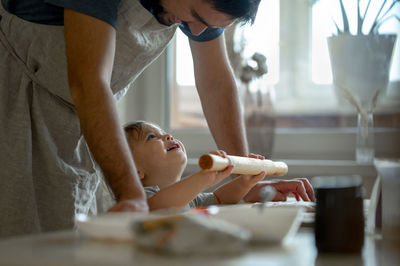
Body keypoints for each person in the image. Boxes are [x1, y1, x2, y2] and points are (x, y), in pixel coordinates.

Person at [0, 0, 262, 238]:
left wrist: (244, 175)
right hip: (14, 108)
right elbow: (88, 82)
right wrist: (131, 195)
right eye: (195, 17)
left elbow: (216, 83)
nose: (196, 33)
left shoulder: (199, 6)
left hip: (82, 127)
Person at [124, 121, 314, 210]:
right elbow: (160, 206)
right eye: (151, 137)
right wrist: (203, 178)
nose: (168, 136)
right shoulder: (142, 199)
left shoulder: (191, 198)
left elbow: (219, 199)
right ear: (136, 171)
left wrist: (244, 182)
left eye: (164, 132)